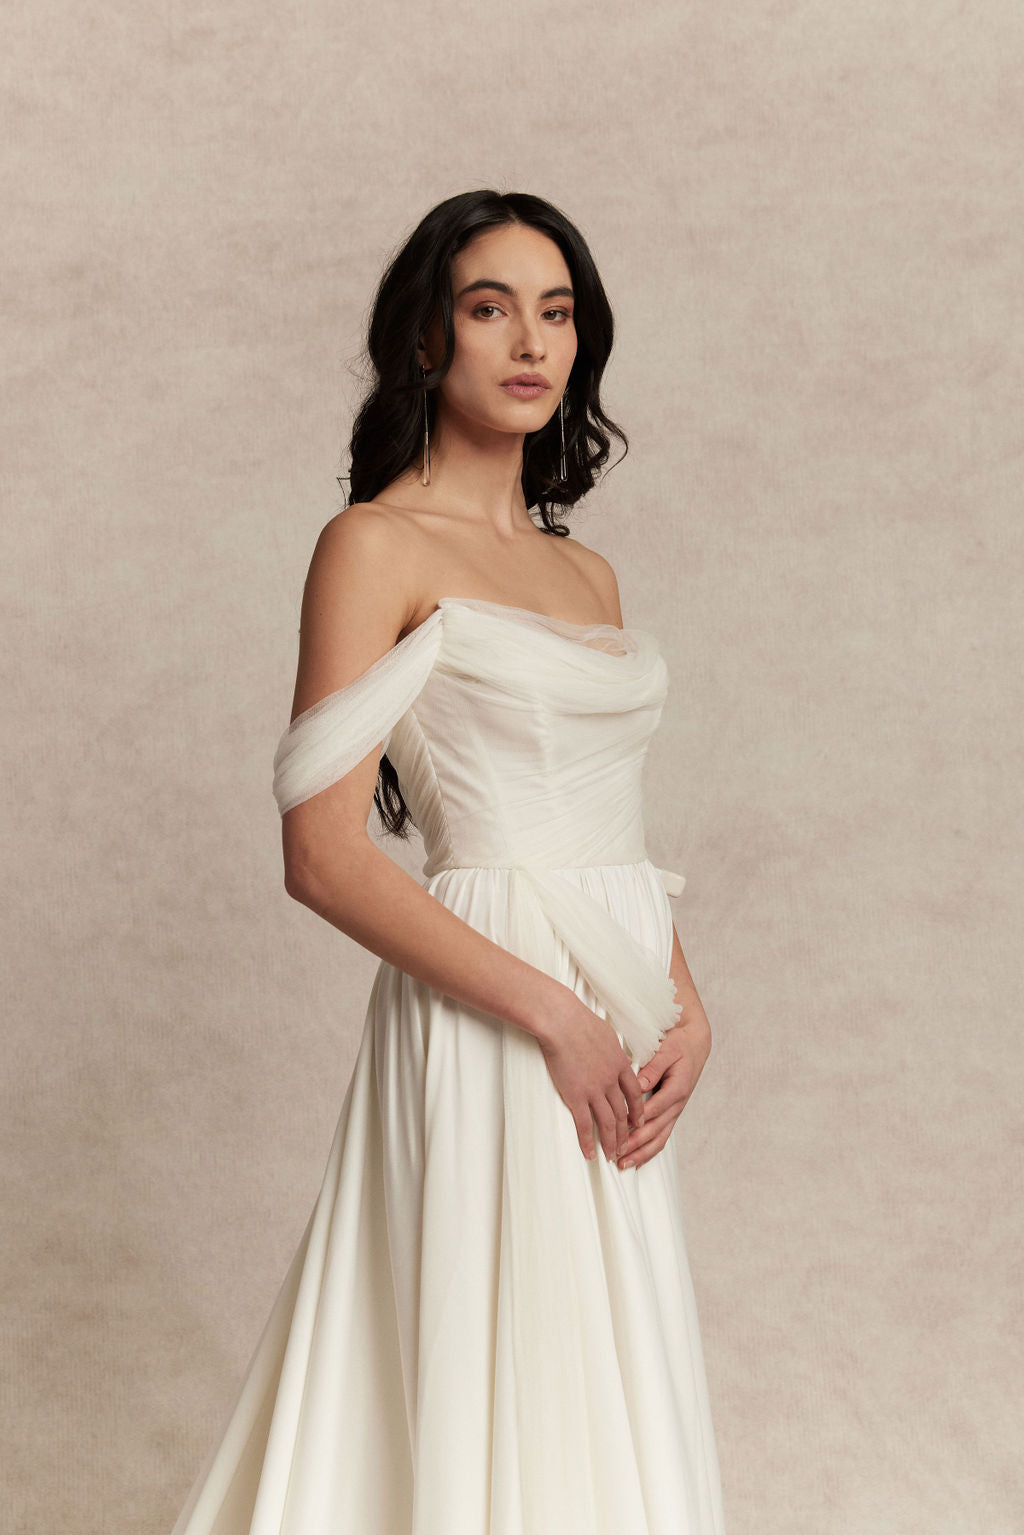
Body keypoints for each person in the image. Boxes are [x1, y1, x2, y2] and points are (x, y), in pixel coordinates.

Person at [171, 189, 726, 1534]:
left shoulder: (587, 577)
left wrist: (685, 1005)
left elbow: (604, 825)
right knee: (493, 1344)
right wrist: (551, 1015)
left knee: (596, 1367)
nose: (531, 343)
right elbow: (322, 855)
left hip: (615, 1006)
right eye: (490, 308)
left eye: (558, 312)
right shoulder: (373, 544)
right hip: (495, 1003)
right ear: (428, 337)